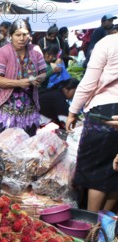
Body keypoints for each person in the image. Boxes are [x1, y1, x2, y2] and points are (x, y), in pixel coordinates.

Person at [66, 34, 118, 212]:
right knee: (114, 171)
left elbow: (88, 82)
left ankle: (91, 222)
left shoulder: (108, 43)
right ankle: (106, 222)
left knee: (97, 173)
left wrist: (73, 111)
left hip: (104, 111)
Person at [0, 19, 47, 137]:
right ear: (11, 36)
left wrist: (39, 79)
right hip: (6, 108)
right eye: (17, 35)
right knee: (3, 145)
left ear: (29, 35)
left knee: (25, 146)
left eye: (25, 34)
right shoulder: (2, 52)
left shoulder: (35, 51)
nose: (21, 38)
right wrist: (18, 83)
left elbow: (43, 72)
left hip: (29, 109)